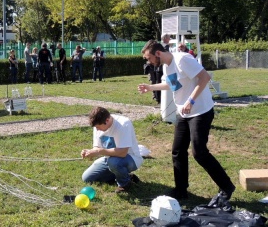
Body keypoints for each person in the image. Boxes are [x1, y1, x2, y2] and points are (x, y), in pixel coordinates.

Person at [137, 40, 236, 209]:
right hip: (184, 113)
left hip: (201, 111)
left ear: (158, 54)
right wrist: (150, 87)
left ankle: (226, 187)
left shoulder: (182, 59)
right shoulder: (167, 66)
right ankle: (181, 190)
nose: (149, 62)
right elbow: (172, 84)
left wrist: (191, 100)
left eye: (149, 58)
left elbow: (205, 77)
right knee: (178, 150)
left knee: (199, 152)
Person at [81, 106, 143, 193]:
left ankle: (124, 184)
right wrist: (91, 152)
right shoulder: (98, 125)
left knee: (114, 162)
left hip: (131, 158)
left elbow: (122, 153)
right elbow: (97, 147)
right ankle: (126, 176)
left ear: (107, 121)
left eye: (98, 127)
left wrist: (99, 151)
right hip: (109, 158)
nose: (97, 129)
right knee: (87, 178)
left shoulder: (123, 124)